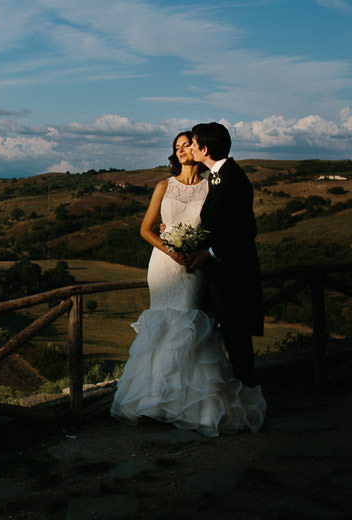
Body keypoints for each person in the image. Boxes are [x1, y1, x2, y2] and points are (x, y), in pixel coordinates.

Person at [110, 130, 265, 437]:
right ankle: (153, 400)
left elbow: (221, 226)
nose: (182, 150)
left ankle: (191, 402)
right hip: (165, 265)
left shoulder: (213, 185)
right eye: (177, 147)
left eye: (188, 145)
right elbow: (146, 228)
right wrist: (171, 248)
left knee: (191, 325)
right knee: (163, 324)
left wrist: (197, 249)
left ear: (200, 150)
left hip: (196, 264)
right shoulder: (163, 185)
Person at [188, 121, 264, 386]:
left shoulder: (232, 178)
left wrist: (210, 252)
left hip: (234, 276)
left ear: (205, 149)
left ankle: (246, 397)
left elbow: (245, 230)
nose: (191, 149)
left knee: (237, 340)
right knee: (224, 336)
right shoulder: (220, 176)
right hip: (221, 276)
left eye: (194, 145)